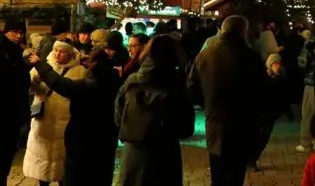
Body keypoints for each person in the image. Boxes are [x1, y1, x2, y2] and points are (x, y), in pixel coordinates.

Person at [188, 15, 270, 186]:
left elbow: (191, 87)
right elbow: (262, 90)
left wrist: (208, 103)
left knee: (217, 170)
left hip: (215, 121)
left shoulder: (205, 55)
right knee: (235, 173)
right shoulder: (250, 56)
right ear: (242, 32)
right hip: (242, 122)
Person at [28, 46, 121, 186]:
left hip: (83, 142)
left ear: (93, 65)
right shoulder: (113, 81)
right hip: (105, 142)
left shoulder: (89, 85)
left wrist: (39, 64)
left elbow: (60, 84)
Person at [116, 35, 196, 186]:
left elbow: (118, 115)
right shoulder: (176, 86)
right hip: (165, 154)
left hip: (133, 152)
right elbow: (185, 129)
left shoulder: (132, 81)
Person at [24, 40, 87, 185]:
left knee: (62, 163)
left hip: (66, 121)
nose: (58, 54)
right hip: (44, 120)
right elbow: (29, 89)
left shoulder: (80, 71)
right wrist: (34, 81)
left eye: (62, 51)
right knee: (42, 161)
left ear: (70, 53)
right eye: (56, 50)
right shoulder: (44, 66)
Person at [0, 17, 33, 182]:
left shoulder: (16, 52)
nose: (18, 36)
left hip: (13, 115)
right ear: (6, 32)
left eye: (21, 33)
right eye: (15, 32)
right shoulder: (4, 52)